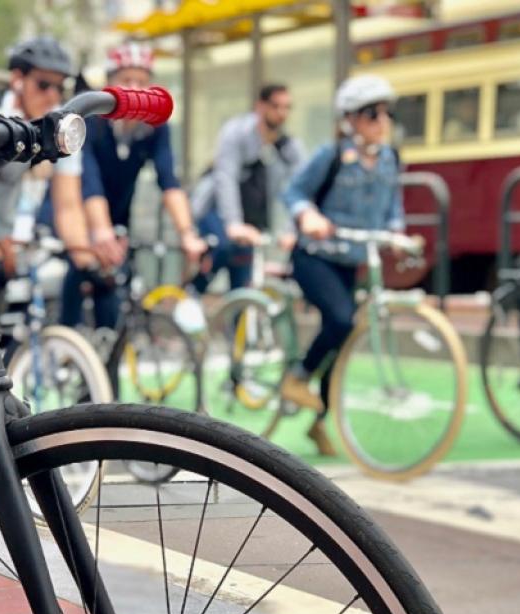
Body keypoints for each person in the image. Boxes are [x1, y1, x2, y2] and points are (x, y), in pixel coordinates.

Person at [281, 75, 403, 455]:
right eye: (371, 113)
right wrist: (308, 217)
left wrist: (397, 233)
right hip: (314, 257)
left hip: (353, 261)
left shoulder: (389, 159)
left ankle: (319, 423)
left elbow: (393, 206)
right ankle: (296, 378)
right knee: (341, 320)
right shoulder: (330, 155)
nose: (381, 121)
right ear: (350, 119)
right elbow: (294, 192)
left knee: (343, 340)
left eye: (386, 112)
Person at [55, 42, 206, 329]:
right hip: (79, 211)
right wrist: (100, 230)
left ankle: (105, 359)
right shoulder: (91, 121)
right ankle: (65, 345)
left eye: (142, 81)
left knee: (114, 292)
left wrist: (187, 234)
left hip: (119, 216)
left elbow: (169, 182)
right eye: (126, 80)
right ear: (110, 84)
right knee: (81, 267)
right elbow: (90, 182)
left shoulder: (155, 127)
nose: (134, 88)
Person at [0, 35, 83, 316]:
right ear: (17, 78)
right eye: (44, 84)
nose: (53, 96)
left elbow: (68, 205)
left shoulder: (60, 127)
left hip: (1, 231)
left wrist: (85, 257)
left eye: (60, 87)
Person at [190, 84, 305, 293]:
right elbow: (226, 178)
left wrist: (290, 230)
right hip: (216, 211)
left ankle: (237, 321)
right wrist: (233, 223)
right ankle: (192, 294)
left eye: (287, 107)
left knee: (243, 285)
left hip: (251, 221)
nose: (282, 113)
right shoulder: (236, 132)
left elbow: (299, 190)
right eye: (276, 106)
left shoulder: (289, 147)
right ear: (260, 106)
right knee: (223, 248)